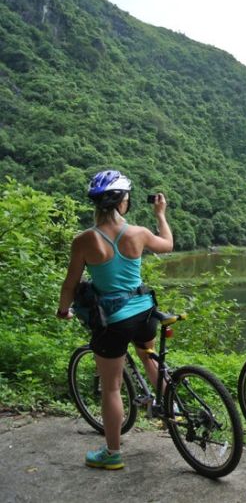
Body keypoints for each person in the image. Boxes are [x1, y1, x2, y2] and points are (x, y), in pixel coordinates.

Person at [56, 170, 173, 470]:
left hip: (113, 321)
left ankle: (112, 454)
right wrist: (160, 215)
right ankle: (170, 407)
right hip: (145, 311)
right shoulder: (138, 233)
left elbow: (70, 284)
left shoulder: (83, 240)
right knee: (148, 356)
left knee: (112, 388)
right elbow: (167, 244)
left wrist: (63, 310)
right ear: (123, 202)